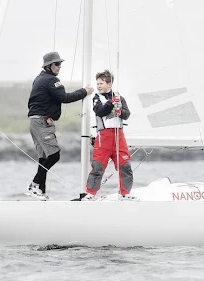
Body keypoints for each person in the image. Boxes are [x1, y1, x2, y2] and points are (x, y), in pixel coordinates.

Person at [25, 51, 93, 200]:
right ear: (48, 66)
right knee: (54, 155)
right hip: (42, 122)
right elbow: (65, 97)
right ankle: (35, 185)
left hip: (36, 121)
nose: (59, 67)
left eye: (60, 64)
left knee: (44, 158)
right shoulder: (51, 80)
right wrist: (85, 92)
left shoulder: (39, 79)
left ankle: (40, 191)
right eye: (57, 64)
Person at [81, 69, 136, 201]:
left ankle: (124, 193)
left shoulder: (120, 98)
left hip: (119, 136)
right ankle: (90, 194)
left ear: (109, 84)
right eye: (98, 83)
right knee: (98, 167)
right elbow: (100, 111)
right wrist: (111, 103)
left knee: (125, 166)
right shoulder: (96, 98)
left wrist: (119, 110)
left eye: (101, 83)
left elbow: (126, 115)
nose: (98, 86)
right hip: (104, 137)